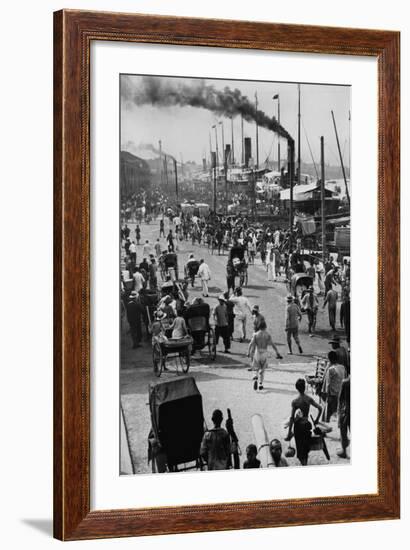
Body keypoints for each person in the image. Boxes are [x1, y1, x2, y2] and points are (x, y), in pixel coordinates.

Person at [285, 378, 322, 466]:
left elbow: (291, 418)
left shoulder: (295, 402)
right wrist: (316, 420)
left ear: (296, 388)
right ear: (304, 387)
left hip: (298, 427)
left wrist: (289, 432)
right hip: (306, 426)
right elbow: (320, 408)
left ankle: (304, 464)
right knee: (305, 448)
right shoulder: (309, 399)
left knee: (300, 448)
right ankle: (304, 462)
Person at [248, 320, 283, 391]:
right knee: (262, 370)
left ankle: (255, 376)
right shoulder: (267, 335)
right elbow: (273, 345)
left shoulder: (255, 334)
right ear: (265, 327)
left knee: (256, 367)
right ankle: (261, 384)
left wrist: (248, 352)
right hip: (264, 352)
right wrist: (277, 353)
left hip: (257, 352)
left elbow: (251, 344)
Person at [321, 350, 346, 422]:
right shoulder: (342, 367)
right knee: (337, 412)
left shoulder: (331, 370)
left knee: (327, 414)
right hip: (340, 393)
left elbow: (328, 384)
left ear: (329, 359)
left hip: (332, 394)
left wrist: (327, 396)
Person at [337, 371, 351, 458]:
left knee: (343, 431)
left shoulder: (345, 383)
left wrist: (339, 412)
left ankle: (344, 451)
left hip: (346, 410)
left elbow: (340, 399)